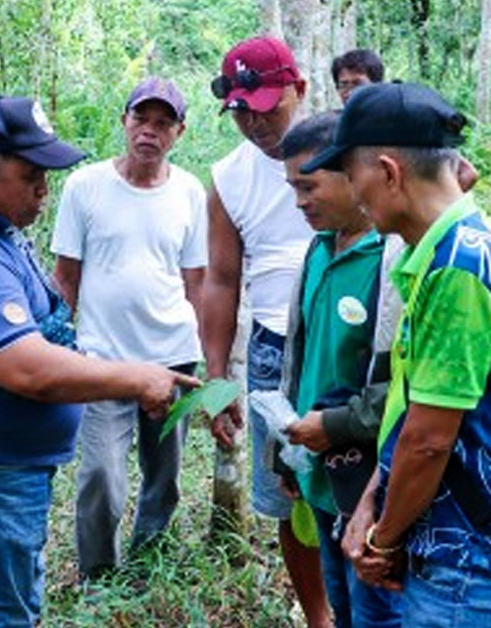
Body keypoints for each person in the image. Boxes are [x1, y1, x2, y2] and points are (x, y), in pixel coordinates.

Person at [0, 94, 199, 626]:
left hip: (3, 464)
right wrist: (134, 378)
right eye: (32, 174)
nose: (44, 188)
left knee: (9, 602)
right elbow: (28, 369)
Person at [302, 82, 491, 626]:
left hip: (465, 559)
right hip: (443, 546)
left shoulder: (458, 270)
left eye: (352, 172)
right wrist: (371, 497)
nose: (352, 189)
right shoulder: (441, 254)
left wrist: (382, 539)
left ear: (389, 171)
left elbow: (431, 439)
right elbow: (406, 412)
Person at [51, 77, 206, 580]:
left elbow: (198, 281)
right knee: (100, 473)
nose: (149, 132)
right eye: (141, 119)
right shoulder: (85, 186)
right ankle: (99, 574)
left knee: (164, 474)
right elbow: (65, 277)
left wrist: (208, 359)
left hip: (173, 354)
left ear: (179, 133)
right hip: (103, 358)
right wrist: (58, 349)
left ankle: (148, 558)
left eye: (163, 124)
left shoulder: (188, 192)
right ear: (124, 122)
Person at [203, 36, 331, 627]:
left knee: (361, 477)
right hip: (273, 349)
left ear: (299, 90)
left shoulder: (347, 145)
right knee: (290, 493)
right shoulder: (228, 178)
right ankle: (319, 616)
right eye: (241, 111)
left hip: (346, 344)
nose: (255, 123)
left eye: (267, 106)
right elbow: (223, 281)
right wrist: (216, 377)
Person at [279, 112, 404, 627]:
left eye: (309, 186)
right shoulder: (317, 248)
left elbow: (404, 389)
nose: (300, 202)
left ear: (352, 172)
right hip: (322, 475)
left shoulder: (393, 258)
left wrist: (332, 427)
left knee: (380, 609)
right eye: (293, 188)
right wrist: (287, 453)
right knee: (343, 606)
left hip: (374, 485)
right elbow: (300, 358)